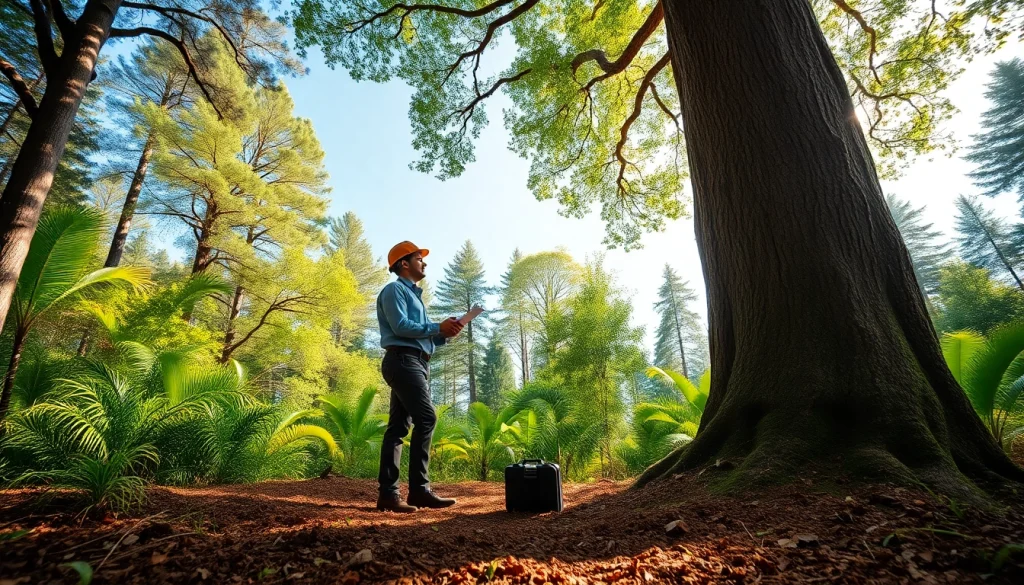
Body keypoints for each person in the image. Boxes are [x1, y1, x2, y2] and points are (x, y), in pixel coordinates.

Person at [375, 241, 465, 513]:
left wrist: (443, 334)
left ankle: (389, 495)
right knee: (427, 417)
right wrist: (436, 326)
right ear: (404, 263)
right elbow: (401, 326)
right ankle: (418, 490)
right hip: (402, 360)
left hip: (414, 361)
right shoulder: (394, 290)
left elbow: (422, 338)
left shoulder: (415, 298)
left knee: (399, 428)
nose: (424, 263)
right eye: (419, 258)